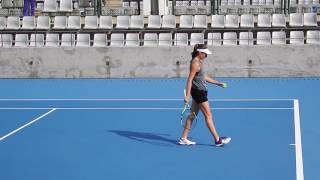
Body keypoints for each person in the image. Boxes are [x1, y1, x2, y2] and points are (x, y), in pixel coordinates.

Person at [178, 44, 231, 147]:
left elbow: (203, 76)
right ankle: (218, 140)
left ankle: (183, 138)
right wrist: (187, 96)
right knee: (208, 116)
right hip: (199, 93)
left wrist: (217, 83)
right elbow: (189, 80)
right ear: (199, 53)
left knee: (192, 115)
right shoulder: (195, 63)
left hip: (199, 92)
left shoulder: (199, 62)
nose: (206, 56)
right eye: (205, 54)